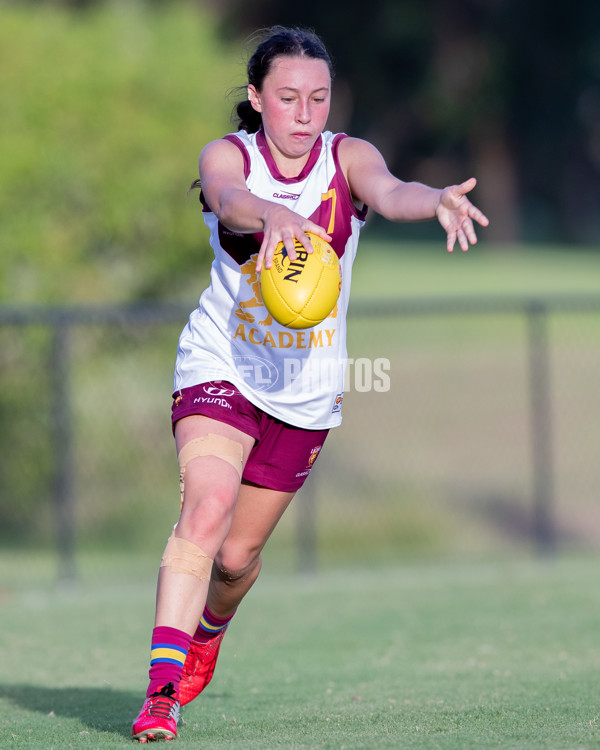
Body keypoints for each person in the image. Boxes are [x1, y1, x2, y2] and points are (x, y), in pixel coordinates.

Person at [131, 25, 489, 742]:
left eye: (319, 98)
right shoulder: (229, 156)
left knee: (235, 561)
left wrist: (436, 200)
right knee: (205, 513)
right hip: (221, 366)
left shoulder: (346, 157)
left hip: (305, 393)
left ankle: (208, 631)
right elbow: (229, 200)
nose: (305, 113)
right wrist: (275, 215)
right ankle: (161, 694)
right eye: (289, 97)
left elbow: (392, 192)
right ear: (258, 98)